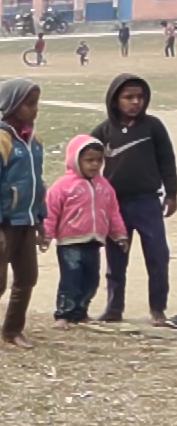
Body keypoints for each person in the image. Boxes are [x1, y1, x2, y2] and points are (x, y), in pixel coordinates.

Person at [91, 74, 176, 325]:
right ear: (115, 100)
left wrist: (172, 192)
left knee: (158, 255)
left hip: (147, 202)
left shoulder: (153, 127)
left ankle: (158, 310)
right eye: (128, 97)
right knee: (116, 259)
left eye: (139, 97)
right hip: (115, 206)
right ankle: (114, 308)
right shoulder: (105, 130)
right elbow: (82, 155)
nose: (135, 102)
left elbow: (167, 160)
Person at [0, 79, 48, 353]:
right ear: (12, 106)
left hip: (26, 222)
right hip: (2, 225)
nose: (34, 109)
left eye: (36, 103)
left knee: (27, 278)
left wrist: (41, 218)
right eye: (29, 104)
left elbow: (38, 183)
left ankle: (13, 330)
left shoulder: (34, 141)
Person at [42, 136, 129, 328]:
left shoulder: (104, 186)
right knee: (71, 279)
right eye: (89, 160)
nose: (94, 165)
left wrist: (119, 235)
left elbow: (113, 212)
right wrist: (46, 235)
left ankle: (81, 312)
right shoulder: (62, 186)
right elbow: (50, 213)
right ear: (75, 159)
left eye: (98, 160)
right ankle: (63, 314)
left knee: (91, 280)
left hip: (94, 241)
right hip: (69, 242)